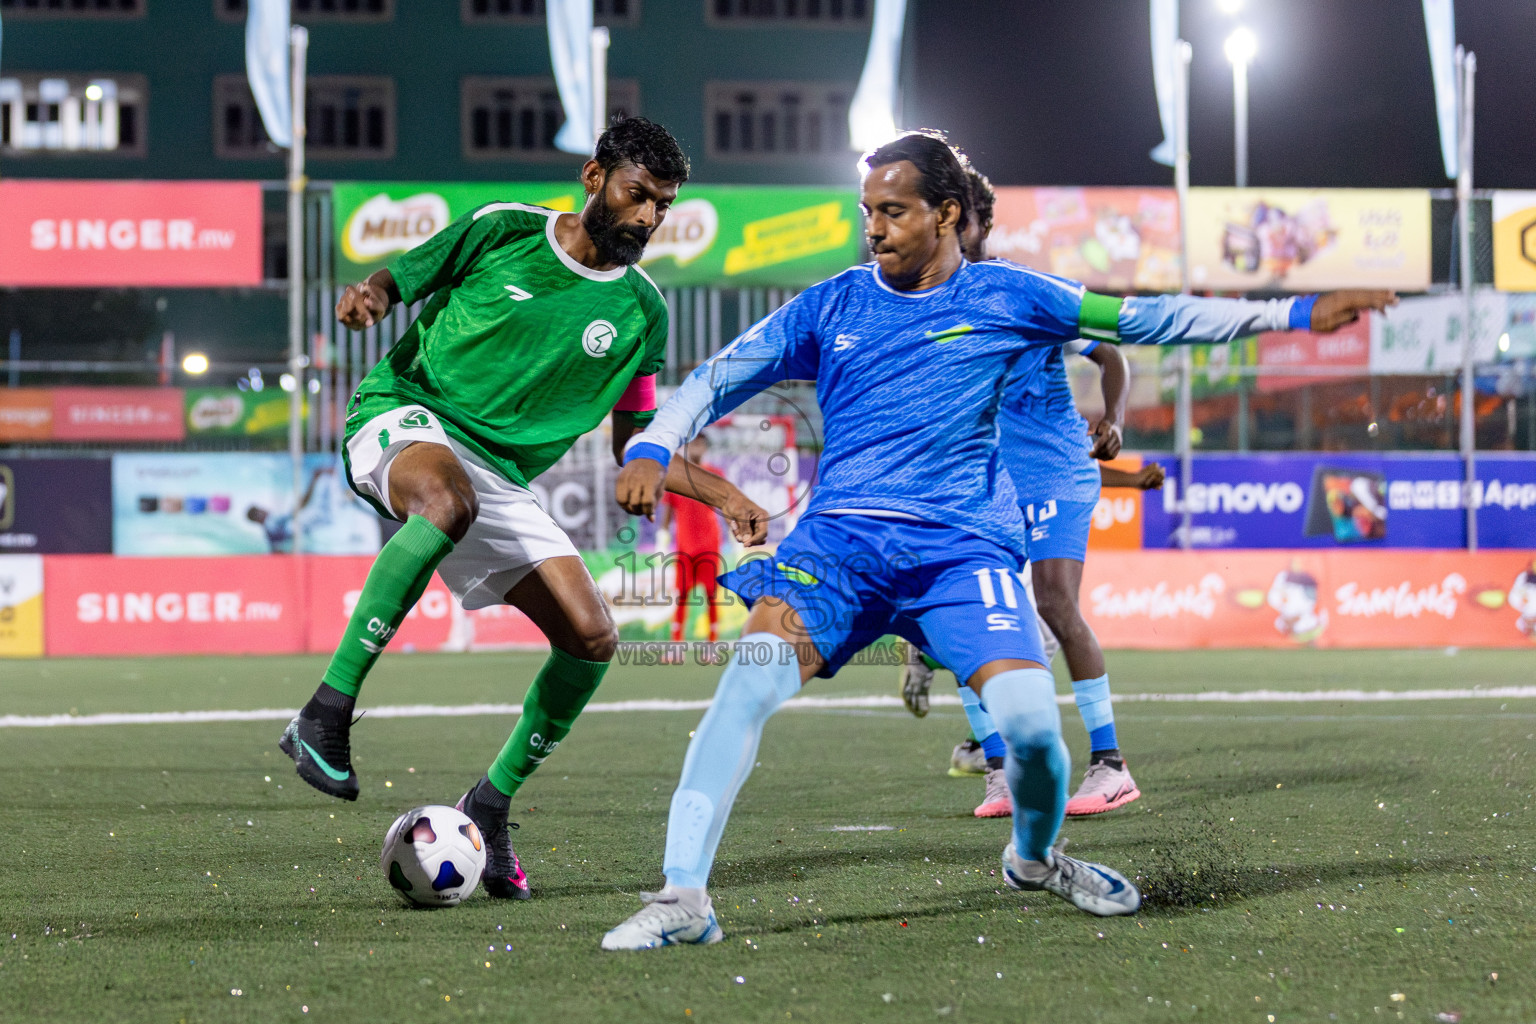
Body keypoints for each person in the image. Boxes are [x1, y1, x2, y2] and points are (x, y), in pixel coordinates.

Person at [598, 130, 1393, 948]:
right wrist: (658, 444)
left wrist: (1295, 312)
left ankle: (1036, 858)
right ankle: (683, 899)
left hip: (960, 555)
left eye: (894, 212)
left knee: (1038, 741)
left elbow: (1148, 318)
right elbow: (718, 376)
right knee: (746, 684)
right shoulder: (832, 303)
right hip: (841, 549)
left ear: (947, 215)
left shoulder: (1013, 296)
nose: (873, 228)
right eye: (867, 211)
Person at [278, 117, 767, 902]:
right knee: (445, 497)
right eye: (638, 195)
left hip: (499, 478)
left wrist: (724, 493)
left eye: (663, 206)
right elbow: (397, 278)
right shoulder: (502, 229)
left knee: (592, 636)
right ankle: (325, 712)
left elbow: (635, 442)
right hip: (406, 416)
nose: (647, 217)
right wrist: (369, 296)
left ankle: (490, 806)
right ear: (593, 176)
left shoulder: (644, 314)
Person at [899, 161, 1155, 819]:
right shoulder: (931, 305)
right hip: (991, 484)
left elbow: (1112, 355)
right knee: (956, 615)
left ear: (972, 220)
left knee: (1056, 605)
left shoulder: (1029, 292)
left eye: (960, 218)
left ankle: (1111, 766)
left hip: (1058, 473)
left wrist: (1116, 418)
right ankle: (999, 769)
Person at [659, 434, 727, 643]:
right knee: (681, 595)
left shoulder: (715, 474)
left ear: (705, 447)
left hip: (709, 545)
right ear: (687, 446)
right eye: (693, 443)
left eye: (700, 443)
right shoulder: (676, 475)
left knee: (711, 594)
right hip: (684, 546)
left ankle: (712, 641)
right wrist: (661, 538)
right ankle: (676, 642)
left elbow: (727, 505)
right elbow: (668, 509)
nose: (697, 447)